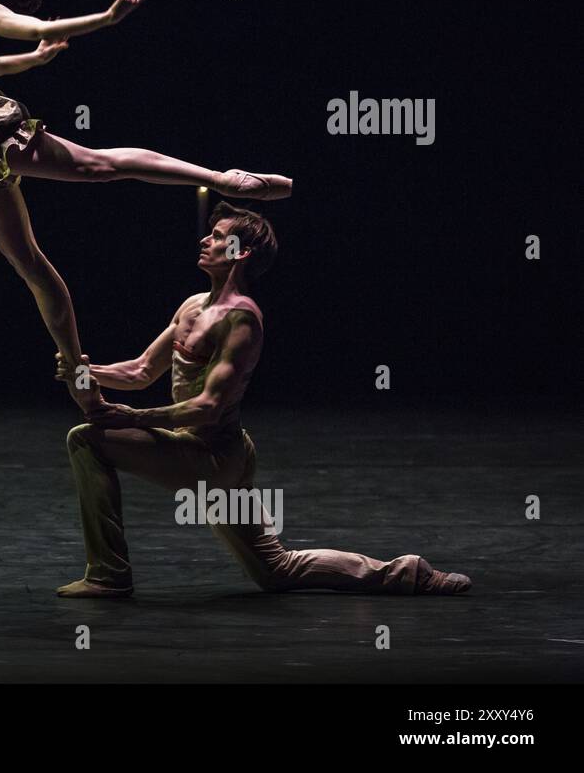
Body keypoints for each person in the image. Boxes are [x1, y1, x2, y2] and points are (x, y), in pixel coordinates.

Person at [0, 0, 293, 414]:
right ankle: (79, 375)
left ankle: (222, 178)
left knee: (97, 165)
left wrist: (106, 18)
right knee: (33, 266)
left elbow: (37, 27)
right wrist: (36, 62)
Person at [55, 202, 472, 598]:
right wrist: (88, 372)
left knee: (86, 438)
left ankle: (109, 576)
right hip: (220, 453)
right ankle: (410, 573)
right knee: (277, 570)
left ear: (240, 251)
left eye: (217, 236)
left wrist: (133, 417)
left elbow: (209, 406)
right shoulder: (193, 306)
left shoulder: (241, 319)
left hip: (210, 457)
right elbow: (143, 369)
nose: (205, 241)